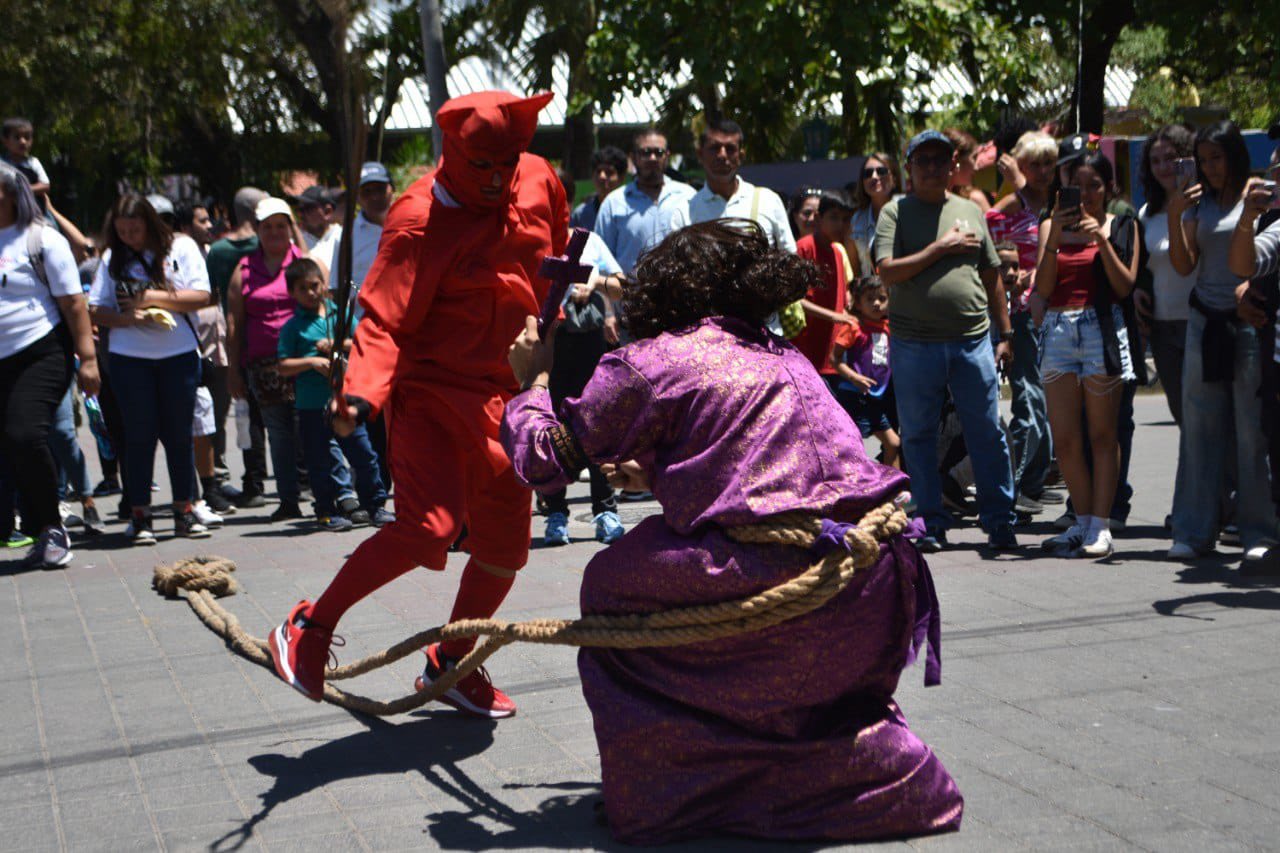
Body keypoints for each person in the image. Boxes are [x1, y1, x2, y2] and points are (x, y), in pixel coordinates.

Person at [502, 219, 962, 844]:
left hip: (784, 590)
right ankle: (857, 777)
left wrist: (532, 379)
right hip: (875, 586)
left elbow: (543, 464)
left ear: (665, 289)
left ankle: (673, 795)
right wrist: (664, 470)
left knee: (608, 589)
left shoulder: (650, 361)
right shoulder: (788, 356)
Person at [265, 90, 567, 718]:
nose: (495, 177)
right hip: (430, 389)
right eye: (480, 163)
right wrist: (359, 396)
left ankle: (454, 663)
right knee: (429, 527)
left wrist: (573, 297)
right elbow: (384, 325)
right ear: (450, 152)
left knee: (507, 548)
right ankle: (309, 626)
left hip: (503, 392)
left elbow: (556, 254)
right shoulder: (416, 219)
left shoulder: (538, 177)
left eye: (505, 161)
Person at [875, 130, 1018, 552]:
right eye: (924, 161)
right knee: (917, 434)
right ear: (910, 168)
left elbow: (991, 274)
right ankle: (930, 522)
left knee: (986, 432)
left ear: (953, 164)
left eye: (941, 160)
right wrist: (941, 248)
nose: (934, 168)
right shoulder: (894, 213)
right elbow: (887, 271)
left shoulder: (970, 209)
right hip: (914, 342)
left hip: (972, 339)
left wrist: (1005, 332)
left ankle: (999, 520)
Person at [1168, 120, 1278, 563]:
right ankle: (1194, 531)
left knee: (1251, 431)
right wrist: (1177, 214)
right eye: (1203, 159)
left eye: (1217, 157)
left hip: (1248, 319)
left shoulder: (1257, 193)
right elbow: (1183, 265)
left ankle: (1258, 531)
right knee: (1199, 428)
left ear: (1234, 154)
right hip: (1205, 320)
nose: (1211, 168)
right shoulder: (1199, 202)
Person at [1034, 153, 1141, 559]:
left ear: (1108, 188)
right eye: (1077, 187)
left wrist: (1100, 238)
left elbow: (1125, 284)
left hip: (1102, 327)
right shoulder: (1050, 226)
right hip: (1059, 329)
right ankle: (1081, 522)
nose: (1087, 195)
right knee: (1065, 438)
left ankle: (1102, 524)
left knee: (1103, 434)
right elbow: (1043, 289)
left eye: (1095, 184)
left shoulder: (1122, 225)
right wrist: (1055, 242)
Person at [88, 194, 212, 544]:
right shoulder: (113, 258)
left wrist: (153, 298)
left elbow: (202, 296)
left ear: (150, 223)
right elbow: (94, 309)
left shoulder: (182, 248)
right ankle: (140, 514)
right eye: (123, 231)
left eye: (136, 230)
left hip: (179, 354)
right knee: (139, 436)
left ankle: (184, 511)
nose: (130, 237)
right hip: (131, 358)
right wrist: (127, 318)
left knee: (178, 435)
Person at [0, 164, 99, 567]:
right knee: (9, 445)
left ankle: (51, 527)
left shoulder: (42, 240)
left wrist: (88, 359)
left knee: (25, 434)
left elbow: (74, 303)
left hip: (40, 351)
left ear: (10, 194)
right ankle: (32, 525)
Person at [277, 258, 391, 531]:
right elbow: (282, 366)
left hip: (345, 400)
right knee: (320, 460)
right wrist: (312, 362)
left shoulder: (339, 315)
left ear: (324, 285)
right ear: (292, 292)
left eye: (315, 285)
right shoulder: (292, 327)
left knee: (364, 454)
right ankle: (326, 510)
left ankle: (375, 505)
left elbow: (363, 341)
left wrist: (336, 344)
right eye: (302, 288)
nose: (311, 292)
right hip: (311, 404)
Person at [986, 131, 1060, 512]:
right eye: (1036, 164)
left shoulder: (1056, 200)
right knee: (1028, 397)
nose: (1045, 171)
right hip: (1021, 312)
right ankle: (1014, 487)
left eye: (1050, 162)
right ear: (1020, 166)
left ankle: (1034, 479)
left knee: (1046, 398)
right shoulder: (1009, 209)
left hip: (1056, 311)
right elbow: (990, 252)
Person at [226, 197, 308, 523]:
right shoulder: (244, 269)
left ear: (291, 228)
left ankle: (326, 495)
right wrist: (233, 371)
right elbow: (234, 324)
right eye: (267, 227)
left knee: (311, 431)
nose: (274, 232)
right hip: (263, 368)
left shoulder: (304, 263)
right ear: (257, 230)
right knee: (278, 434)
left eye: (280, 225)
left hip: (305, 363)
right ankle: (288, 498)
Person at [329, 161, 396, 490]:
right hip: (367, 334)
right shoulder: (348, 237)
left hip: (410, 331)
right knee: (373, 412)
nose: (373, 197)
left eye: (378, 189)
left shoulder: (411, 221)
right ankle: (379, 485)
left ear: (391, 189)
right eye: (366, 191)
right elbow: (336, 290)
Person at [207, 186, 269, 507]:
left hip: (235, 339)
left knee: (248, 414)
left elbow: (210, 297)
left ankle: (253, 481)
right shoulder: (270, 241)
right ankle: (299, 477)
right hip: (270, 334)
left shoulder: (217, 251)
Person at [1135, 124, 1198, 424]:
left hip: (1203, 321)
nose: (1163, 167)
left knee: (1205, 417)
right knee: (1181, 415)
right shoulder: (1146, 214)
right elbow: (1143, 267)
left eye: (1171, 158)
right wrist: (1138, 290)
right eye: (1155, 161)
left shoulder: (1205, 206)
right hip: (1162, 328)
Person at [668, 119, 795, 252]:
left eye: (730, 149)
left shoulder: (768, 201)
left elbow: (790, 257)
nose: (722, 155)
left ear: (741, 156)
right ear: (700, 154)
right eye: (714, 148)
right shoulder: (684, 213)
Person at [593, 129, 693, 277]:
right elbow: (600, 259)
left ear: (667, 156)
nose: (652, 158)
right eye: (645, 152)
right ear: (633, 158)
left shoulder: (687, 196)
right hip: (630, 297)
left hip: (678, 296)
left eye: (658, 152)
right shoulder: (614, 203)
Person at [832, 275, 900, 467]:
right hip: (855, 395)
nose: (876, 303)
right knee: (853, 447)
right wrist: (854, 378)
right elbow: (835, 359)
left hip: (876, 395)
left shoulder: (888, 328)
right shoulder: (854, 327)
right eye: (870, 299)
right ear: (859, 304)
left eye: (882, 298)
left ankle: (895, 490)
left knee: (893, 443)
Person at [793, 189, 857, 378]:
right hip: (807, 354)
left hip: (832, 357)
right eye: (834, 218)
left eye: (845, 219)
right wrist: (835, 316)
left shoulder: (837, 252)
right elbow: (796, 300)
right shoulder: (804, 247)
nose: (840, 225)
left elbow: (840, 302)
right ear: (819, 218)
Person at [851, 152, 902, 275]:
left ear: (894, 178)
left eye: (881, 171)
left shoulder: (907, 210)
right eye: (867, 173)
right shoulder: (856, 220)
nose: (874, 177)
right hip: (871, 290)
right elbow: (856, 272)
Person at [571, 146, 627, 231]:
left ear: (621, 178)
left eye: (609, 172)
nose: (602, 176)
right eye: (598, 171)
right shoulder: (581, 214)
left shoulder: (629, 211)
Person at [1, 118, 51, 207]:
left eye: (27, 137)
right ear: (5, 141)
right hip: (6, 210)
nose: (23, 141)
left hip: (33, 211)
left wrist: (22, 190)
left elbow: (45, 185)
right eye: (17, 137)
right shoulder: (1, 164)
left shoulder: (33, 162)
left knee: (49, 220)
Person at [944, 127, 992, 211]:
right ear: (956, 159)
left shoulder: (974, 199)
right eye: (974, 157)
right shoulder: (929, 199)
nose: (976, 167)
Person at [295, 185, 340, 273]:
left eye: (308, 208)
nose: (301, 214)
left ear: (327, 212)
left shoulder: (343, 238)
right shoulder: (295, 241)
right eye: (299, 209)